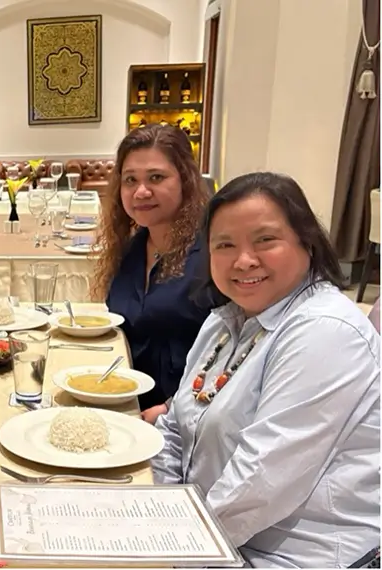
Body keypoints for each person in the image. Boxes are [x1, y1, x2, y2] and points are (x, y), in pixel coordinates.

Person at [152, 172, 380, 568]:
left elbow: (259, 485)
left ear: (306, 240)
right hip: (207, 535)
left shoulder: (325, 331)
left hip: (293, 556)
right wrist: (160, 511)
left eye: (265, 241)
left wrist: (175, 552)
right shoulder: (225, 321)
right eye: (225, 245)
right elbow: (174, 428)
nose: (243, 261)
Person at [92, 125, 211, 422]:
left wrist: (173, 408)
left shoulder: (212, 252)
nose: (141, 191)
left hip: (188, 418)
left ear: (185, 179)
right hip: (126, 405)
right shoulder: (133, 248)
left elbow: (240, 350)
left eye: (156, 177)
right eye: (130, 180)